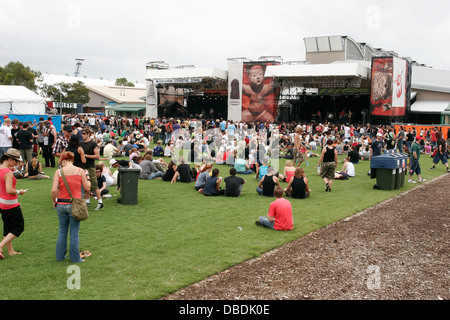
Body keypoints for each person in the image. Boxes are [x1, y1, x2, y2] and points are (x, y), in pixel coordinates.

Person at [51, 151, 90, 263]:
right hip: (75, 204)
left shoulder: (58, 172)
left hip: (61, 204)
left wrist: (54, 201)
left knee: (62, 231)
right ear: (73, 159)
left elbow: (54, 190)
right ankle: (75, 258)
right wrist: (87, 177)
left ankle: (60, 256)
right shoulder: (80, 171)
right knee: (74, 232)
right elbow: (87, 188)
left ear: (63, 160)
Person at [0, 149, 28, 259]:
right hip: (10, 203)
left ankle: (10, 251)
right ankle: (1, 246)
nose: (16, 164)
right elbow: (9, 190)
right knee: (18, 227)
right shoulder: (8, 172)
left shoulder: (2, 169)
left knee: (8, 227)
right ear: (10, 159)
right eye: (16, 162)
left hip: (2, 202)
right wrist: (19, 192)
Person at [79, 127, 103, 210]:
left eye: (84, 133)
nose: (82, 135)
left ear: (88, 134)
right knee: (85, 185)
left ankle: (100, 203)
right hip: (83, 167)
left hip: (90, 167)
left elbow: (97, 156)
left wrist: (86, 156)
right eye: (81, 133)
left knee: (94, 185)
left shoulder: (93, 144)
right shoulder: (81, 143)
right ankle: (87, 201)